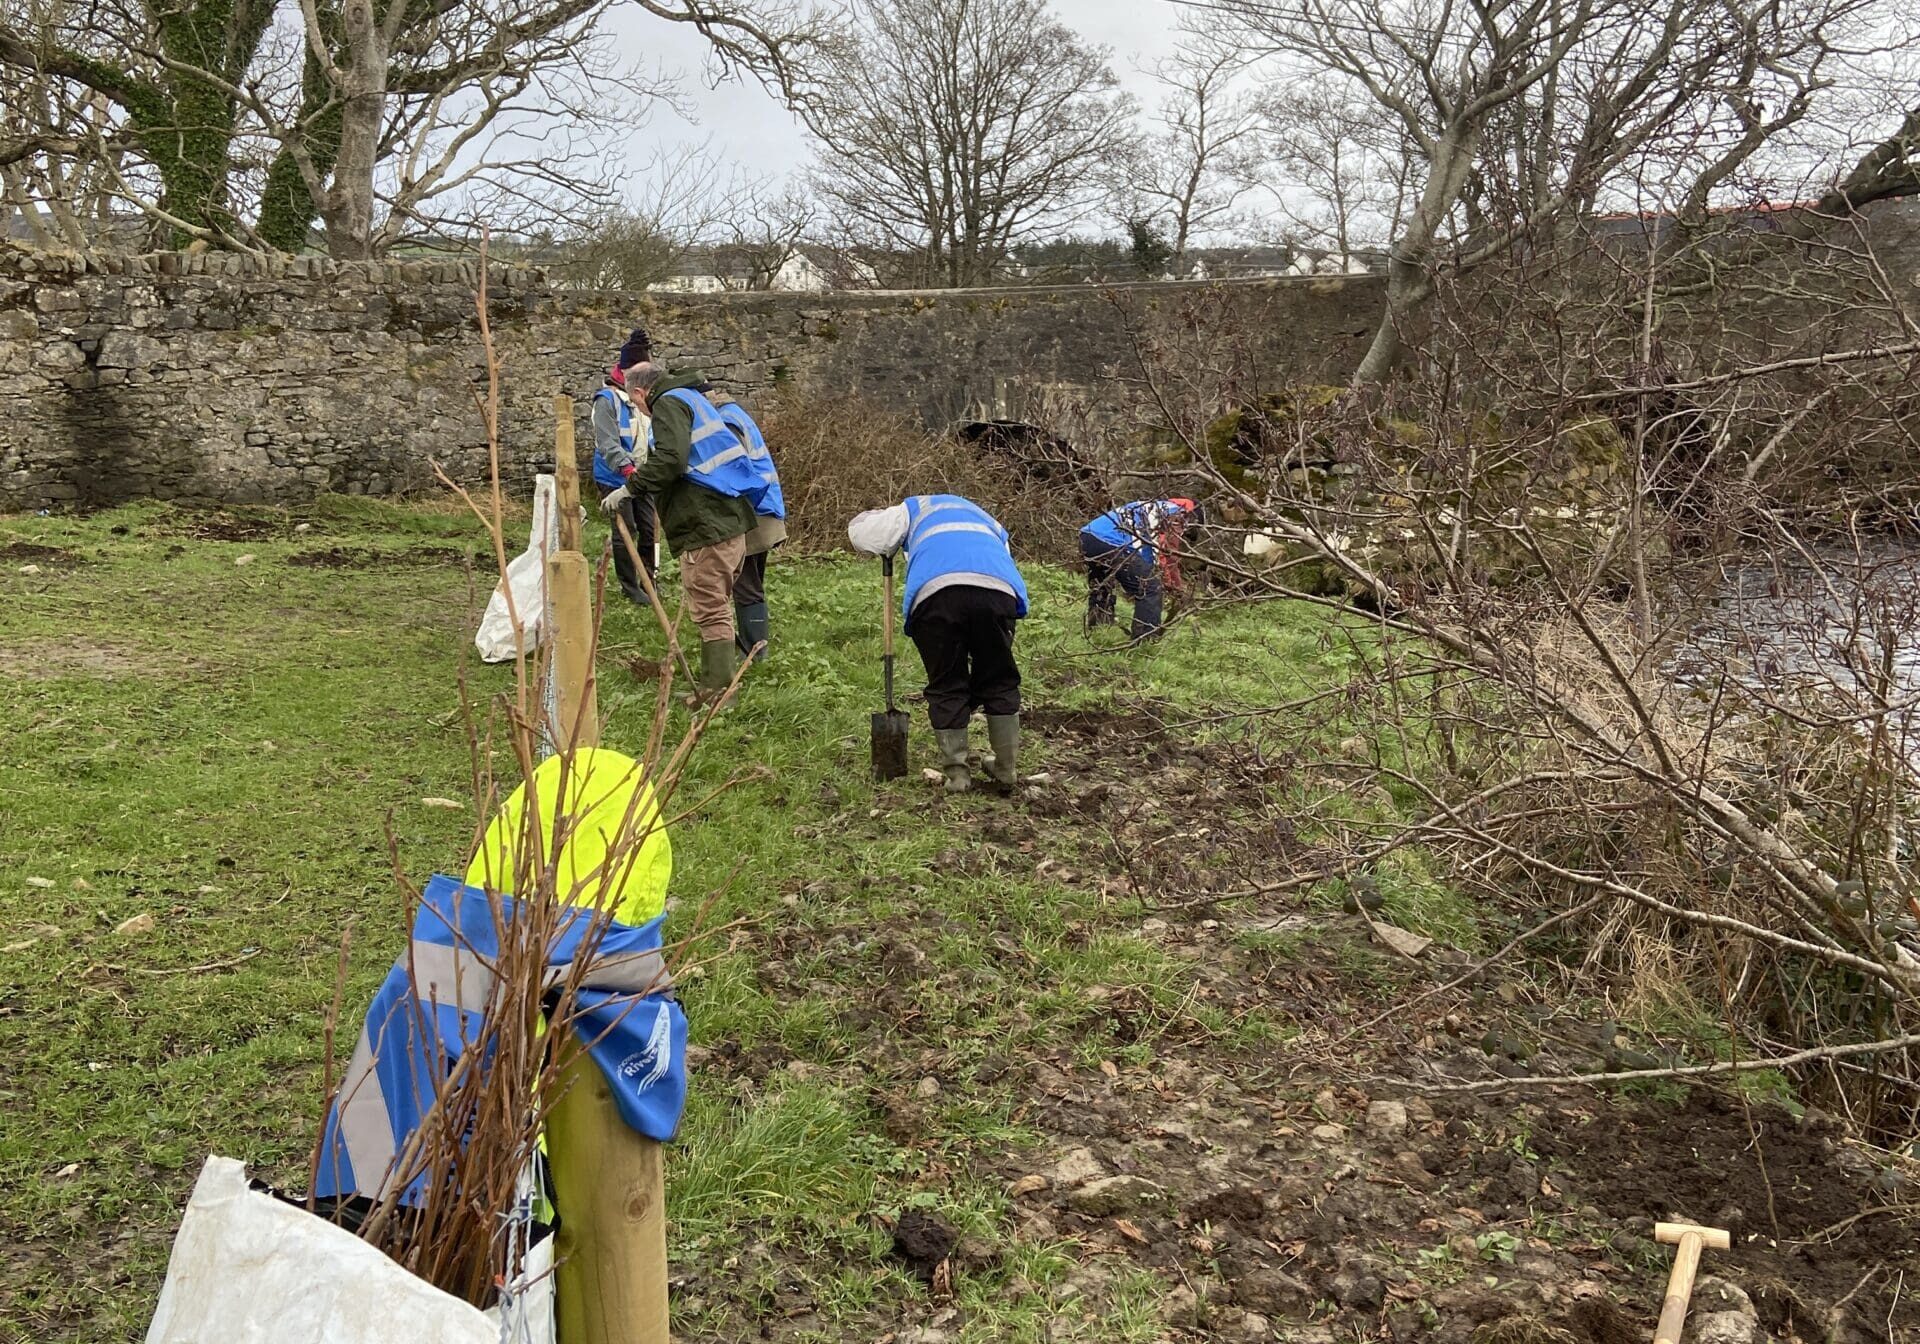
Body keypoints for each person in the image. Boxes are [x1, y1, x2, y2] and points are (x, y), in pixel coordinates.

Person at [847, 494, 1028, 794]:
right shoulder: (988, 520)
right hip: (998, 593)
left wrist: (866, 518)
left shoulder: (916, 508)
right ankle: (1006, 769)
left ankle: (957, 777)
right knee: (999, 677)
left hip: (936, 595)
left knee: (946, 680)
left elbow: (865, 535)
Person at [621, 361, 761, 702]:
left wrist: (631, 488)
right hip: (726, 516)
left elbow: (672, 460)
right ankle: (718, 682)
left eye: (634, 402)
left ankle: (718, 692)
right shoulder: (691, 398)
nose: (638, 409)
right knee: (716, 601)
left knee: (709, 603)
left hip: (706, 521)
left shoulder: (668, 403)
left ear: (640, 392)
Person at [709, 392, 785, 663]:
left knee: (746, 583)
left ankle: (755, 651)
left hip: (753, 513)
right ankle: (754, 646)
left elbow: (734, 473)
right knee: (751, 583)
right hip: (763, 509)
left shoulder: (725, 423)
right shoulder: (735, 414)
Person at [591, 327, 659, 604]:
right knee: (625, 529)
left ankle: (649, 581)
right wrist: (627, 469)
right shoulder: (606, 401)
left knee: (649, 529)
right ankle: (630, 587)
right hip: (615, 476)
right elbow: (608, 443)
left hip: (642, 475)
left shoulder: (647, 396)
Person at [1080, 497, 1199, 640]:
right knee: (1150, 588)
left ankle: (1098, 628)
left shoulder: (1152, 506)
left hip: (1087, 536)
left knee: (1102, 583)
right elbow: (1168, 554)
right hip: (1111, 542)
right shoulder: (1178, 514)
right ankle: (1145, 641)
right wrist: (1176, 587)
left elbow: (1147, 550)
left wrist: (1147, 573)